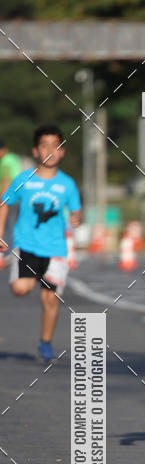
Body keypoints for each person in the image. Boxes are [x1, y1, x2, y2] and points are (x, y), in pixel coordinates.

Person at [0, 125, 81, 361]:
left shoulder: (67, 184)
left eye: (55, 146)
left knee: (50, 298)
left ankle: (45, 344)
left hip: (55, 249)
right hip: (26, 246)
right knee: (20, 289)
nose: (50, 151)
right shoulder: (23, 179)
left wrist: (76, 218)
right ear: (35, 151)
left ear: (62, 151)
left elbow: (76, 212)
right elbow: (4, 202)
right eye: (44, 146)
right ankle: (34, 275)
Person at [0, 139, 22, 266]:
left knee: (8, 226)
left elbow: (7, 179)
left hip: (9, 198)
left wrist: (3, 198)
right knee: (12, 225)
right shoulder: (13, 158)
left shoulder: (6, 161)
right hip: (16, 196)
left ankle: (8, 254)